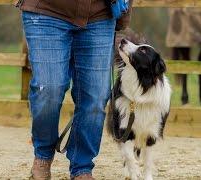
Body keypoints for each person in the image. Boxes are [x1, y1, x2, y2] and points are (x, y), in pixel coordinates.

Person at [16, 0, 133, 179]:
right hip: (46, 10)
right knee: (48, 89)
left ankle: (82, 167)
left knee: (96, 96)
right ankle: (43, 156)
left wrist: (123, 13)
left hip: (99, 15)